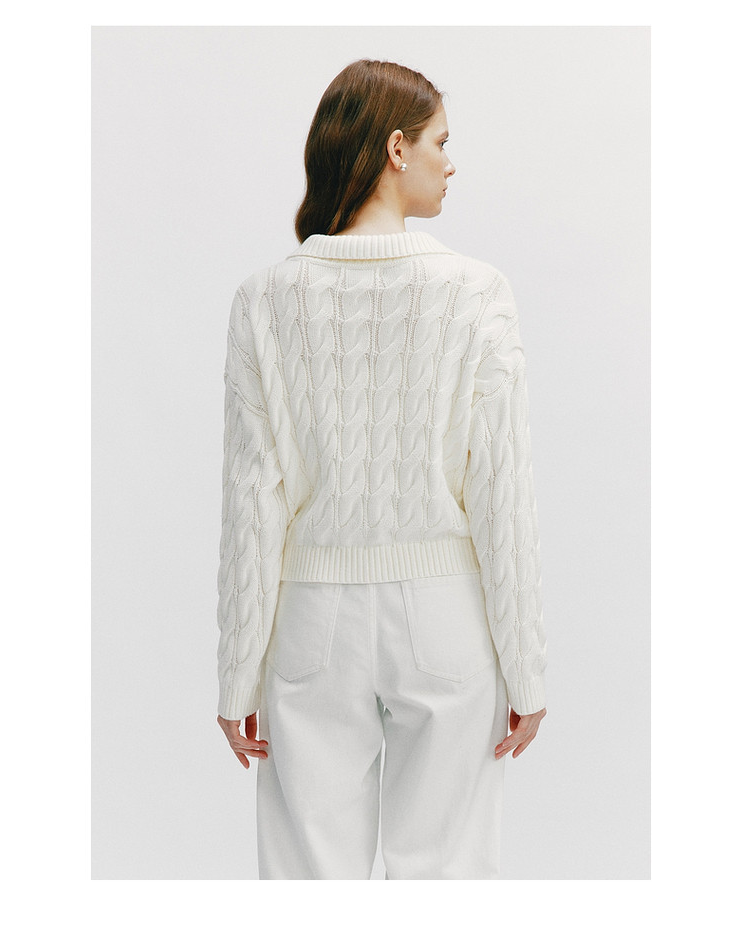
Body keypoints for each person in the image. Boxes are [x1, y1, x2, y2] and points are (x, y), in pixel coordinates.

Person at [215, 58, 547, 880]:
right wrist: (526, 664)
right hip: (444, 619)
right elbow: (501, 493)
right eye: (440, 142)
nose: (451, 162)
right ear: (397, 149)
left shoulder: (265, 299)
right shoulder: (476, 292)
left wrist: (236, 677)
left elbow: (253, 501)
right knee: (446, 878)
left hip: (309, 626)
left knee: (308, 881)